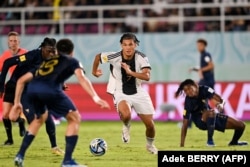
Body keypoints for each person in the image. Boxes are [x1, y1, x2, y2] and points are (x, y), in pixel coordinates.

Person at [11, 38, 110, 167]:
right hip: (50, 90)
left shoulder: (46, 62)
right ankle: (67, 161)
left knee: (39, 120)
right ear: (72, 52)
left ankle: (20, 155)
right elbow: (82, 78)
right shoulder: (72, 61)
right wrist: (95, 97)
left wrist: (17, 103)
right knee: (75, 118)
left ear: (56, 50)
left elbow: (21, 80)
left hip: (32, 90)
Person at [92, 33, 158, 154]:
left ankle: (150, 145)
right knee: (126, 114)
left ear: (135, 45)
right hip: (120, 92)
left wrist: (130, 71)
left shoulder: (141, 57)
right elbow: (98, 57)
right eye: (125, 45)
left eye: (131, 44)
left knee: (150, 125)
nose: (128, 47)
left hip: (138, 92)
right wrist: (94, 71)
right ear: (121, 45)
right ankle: (126, 125)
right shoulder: (114, 56)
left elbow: (147, 76)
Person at [0, 37, 64, 155]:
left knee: (47, 115)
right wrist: (1, 85)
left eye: (53, 50)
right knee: (18, 118)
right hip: (18, 88)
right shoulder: (32, 56)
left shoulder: (52, 58)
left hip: (33, 89)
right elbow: (8, 62)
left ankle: (54, 147)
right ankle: (18, 147)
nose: (51, 53)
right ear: (43, 48)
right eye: (49, 50)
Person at [175, 79, 248, 147]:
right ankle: (210, 141)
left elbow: (221, 99)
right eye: (185, 90)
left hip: (212, 117)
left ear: (195, 85)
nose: (188, 92)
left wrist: (220, 105)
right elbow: (185, 123)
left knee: (241, 125)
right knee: (211, 113)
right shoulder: (188, 101)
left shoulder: (205, 89)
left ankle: (234, 142)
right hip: (201, 121)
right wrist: (182, 145)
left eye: (189, 88)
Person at [0, 31, 28, 145]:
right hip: (10, 86)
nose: (13, 43)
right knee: (5, 114)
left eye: (15, 41)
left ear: (19, 42)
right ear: (8, 42)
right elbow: (2, 73)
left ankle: (20, 121)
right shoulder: (5, 56)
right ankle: (10, 140)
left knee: (12, 117)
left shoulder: (26, 54)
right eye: (11, 41)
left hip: (22, 87)